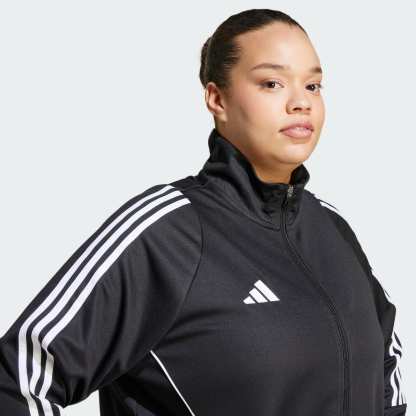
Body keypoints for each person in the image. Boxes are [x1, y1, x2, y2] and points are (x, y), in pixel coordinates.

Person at [0, 8, 407, 416]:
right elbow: (18, 377)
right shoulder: (167, 233)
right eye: (272, 83)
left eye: (313, 85)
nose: (301, 102)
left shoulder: (333, 229)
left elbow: (387, 362)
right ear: (217, 99)